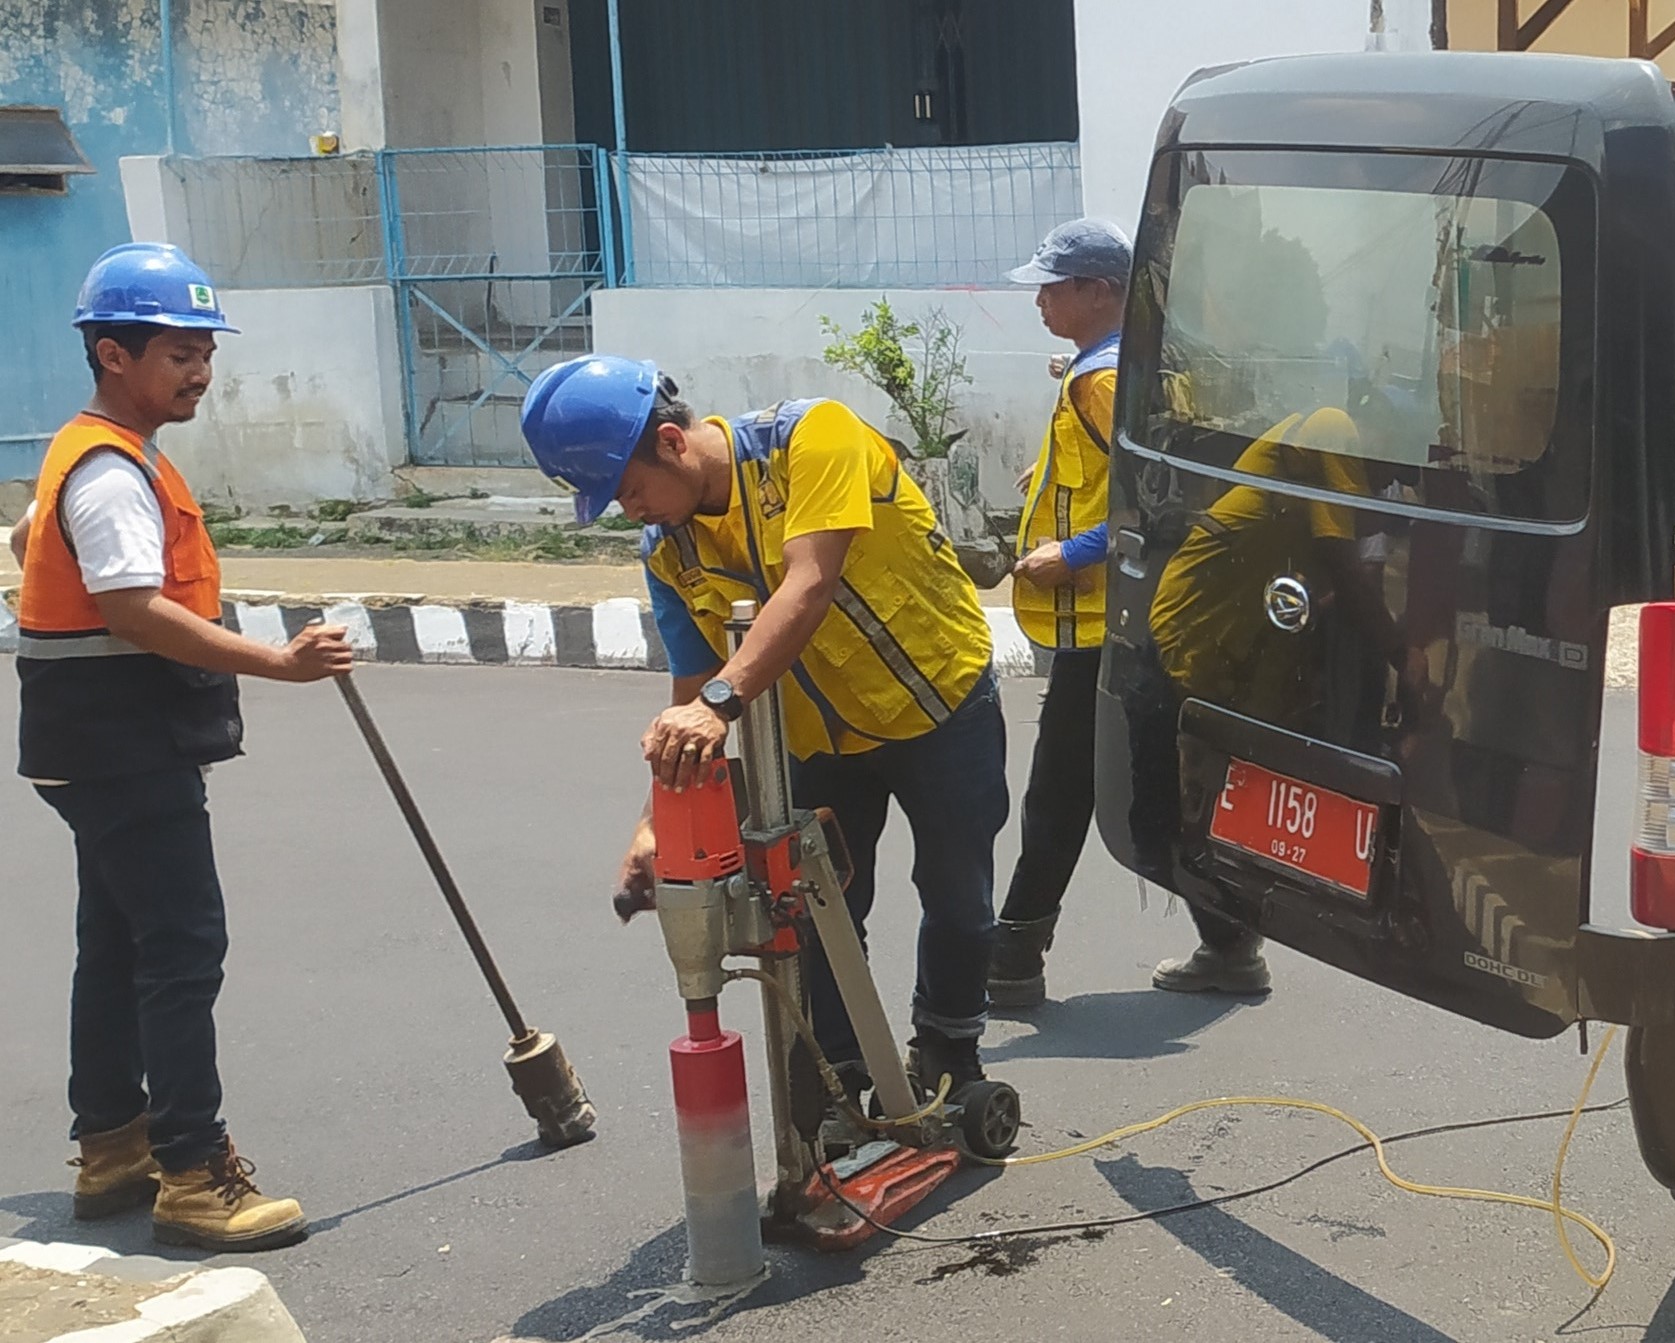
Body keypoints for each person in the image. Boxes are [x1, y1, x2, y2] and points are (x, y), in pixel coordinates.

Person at [519, 356, 1009, 1102]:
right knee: (817, 909)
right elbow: (690, 682)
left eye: (627, 490)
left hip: (937, 710)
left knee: (957, 897)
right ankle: (840, 1073)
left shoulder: (814, 439)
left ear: (673, 443)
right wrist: (654, 824)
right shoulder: (668, 550)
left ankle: (948, 1052)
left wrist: (717, 704)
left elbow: (808, 584)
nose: (630, 512)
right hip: (818, 743)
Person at [10, 243, 352, 1252]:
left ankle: (114, 1143)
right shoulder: (112, 466)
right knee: (181, 944)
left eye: (204, 350)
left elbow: (32, 542)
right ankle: (196, 1172)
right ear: (112, 353)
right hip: (123, 737)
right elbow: (134, 607)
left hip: (85, 735)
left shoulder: (94, 448)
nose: (199, 370)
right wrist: (276, 663)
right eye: (177, 352)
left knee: (115, 942)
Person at [985, 217, 1271, 1006]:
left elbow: (1169, 497)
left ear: (1101, 291)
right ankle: (1229, 941)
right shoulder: (1129, 367)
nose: (1040, 299)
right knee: (1149, 780)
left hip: (1114, 619)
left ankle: (1012, 957)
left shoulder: (1101, 381)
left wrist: (1069, 553)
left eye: (1053, 285)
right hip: (1148, 615)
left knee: (1065, 784)